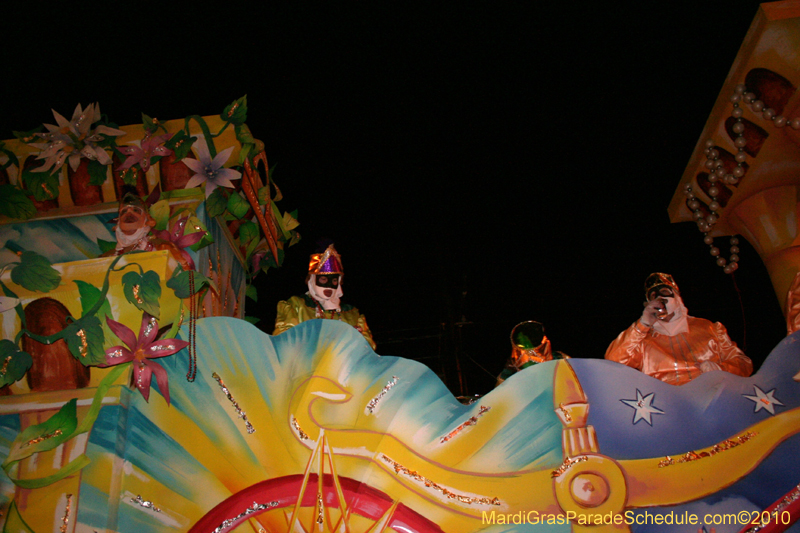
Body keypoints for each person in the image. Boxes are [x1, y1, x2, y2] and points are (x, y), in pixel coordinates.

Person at [605, 272, 752, 385]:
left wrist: (721, 369)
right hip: (668, 406)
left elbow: (743, 363)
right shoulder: (643, 340)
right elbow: (613, 361)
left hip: (713, 394)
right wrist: (642, 325)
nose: (660, 299)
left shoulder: (709, 328)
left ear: (676, 296)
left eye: (664, 292)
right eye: (653, 295)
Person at [273, 243, 376, 349]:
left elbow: (369, 349)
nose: (329, 285)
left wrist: (357, 339)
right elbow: (283, 341)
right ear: (312, 279)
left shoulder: (352, 313)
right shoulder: (296, 306)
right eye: (323, 279)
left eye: (334, 280)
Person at [102, 191, 191, 271]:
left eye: (136, 210)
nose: (129, 214)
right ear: (118, 223)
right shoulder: (106, 258)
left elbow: (187, 280)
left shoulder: (163, 248)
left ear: (147, 220)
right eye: (124, 212)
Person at [496, 321, 567, 386]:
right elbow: (500, 388)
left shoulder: (558, 358)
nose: (523, 342)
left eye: (524, 338)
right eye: (520, 340)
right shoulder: (513, 364)